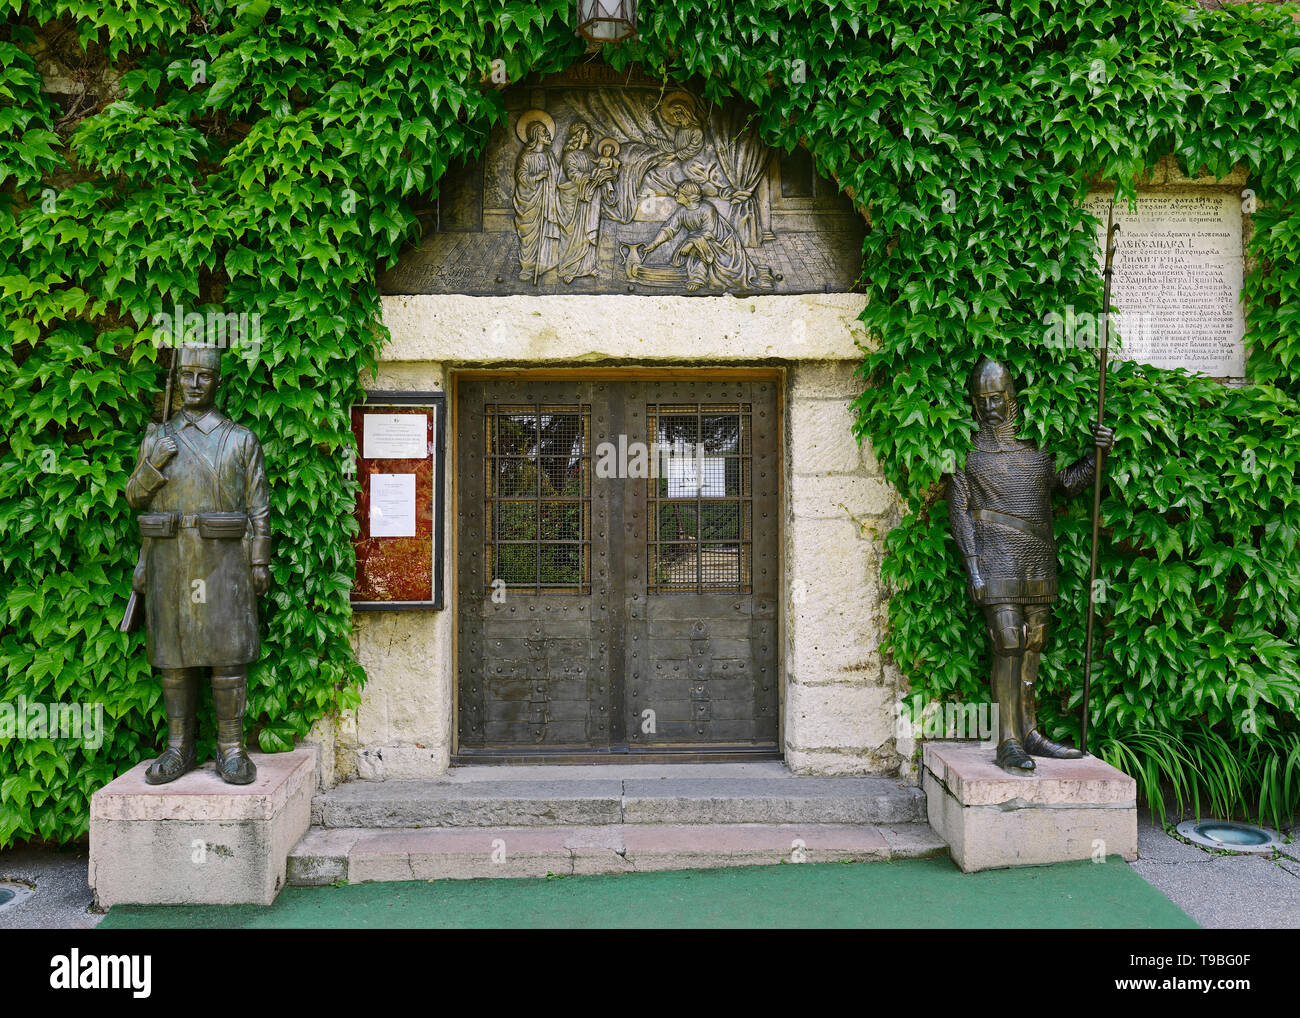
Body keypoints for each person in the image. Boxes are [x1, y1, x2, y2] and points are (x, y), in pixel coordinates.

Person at [947, 357, 1114, 772]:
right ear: (973, 401)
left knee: (1034, 640)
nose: (989, 408)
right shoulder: (966, 454)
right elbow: (961, 515)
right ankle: (1007, 738)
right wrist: (975, 569)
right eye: (982, 400)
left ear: (1011, 397)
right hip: (994, 558)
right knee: (1007, 640)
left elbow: (1068, 484)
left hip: (1037, 558)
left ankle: (1031, 731)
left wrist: (1098, 455)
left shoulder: (1037, 447)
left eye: (996, 398)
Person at [126, 344, 271, 784]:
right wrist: (154, 463)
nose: (192, 384)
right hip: (170, 556)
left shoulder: (240, 439)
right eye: (186, 375)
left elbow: (258, 508)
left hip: (224, 557)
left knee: (228, 655)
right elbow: (134, 496)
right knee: (174, 656)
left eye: (203, 377)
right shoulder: (157, 438)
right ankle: (178, 748)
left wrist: (259, 561)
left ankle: (231, 748)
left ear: (217, 383)